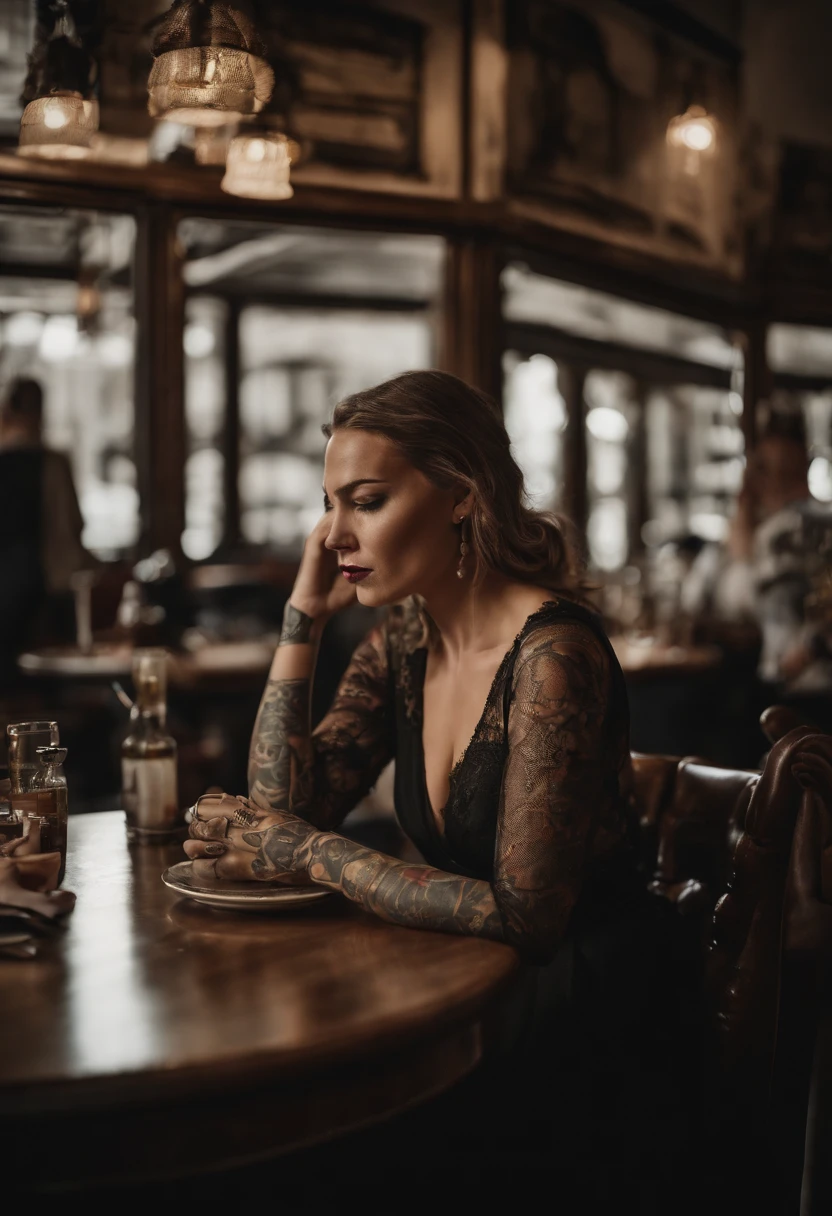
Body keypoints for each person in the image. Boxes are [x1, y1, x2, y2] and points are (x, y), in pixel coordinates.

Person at [185, 371, 703, 1198]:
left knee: (324, 1155)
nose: (333, 535)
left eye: (366, 501)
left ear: (460, 495)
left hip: (583, 1019)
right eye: (330, 504)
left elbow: (530, 919)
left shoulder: (552, 657)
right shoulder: (404, 640)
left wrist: (317, 855)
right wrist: (303, 617)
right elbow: (283, 806)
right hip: (466, 990)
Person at [0, 376, 93, 681]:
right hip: (51, 589)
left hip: (12, 591)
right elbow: (74, 524)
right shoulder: (53, 463)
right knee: (54, 683)